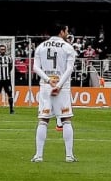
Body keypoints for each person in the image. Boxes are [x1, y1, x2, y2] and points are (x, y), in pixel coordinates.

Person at [31, 22, 77, 163]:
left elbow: (35, 68)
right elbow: (69, 69)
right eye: (67, 30)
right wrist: (59, 85)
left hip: (46, 86)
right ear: (62, 32)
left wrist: (49, 80)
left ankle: (39, 155)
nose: (67, 33)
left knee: (43, 120)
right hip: (62, 87)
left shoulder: (41, 47)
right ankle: (69, 156)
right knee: (66, 119)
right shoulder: (68, 47)